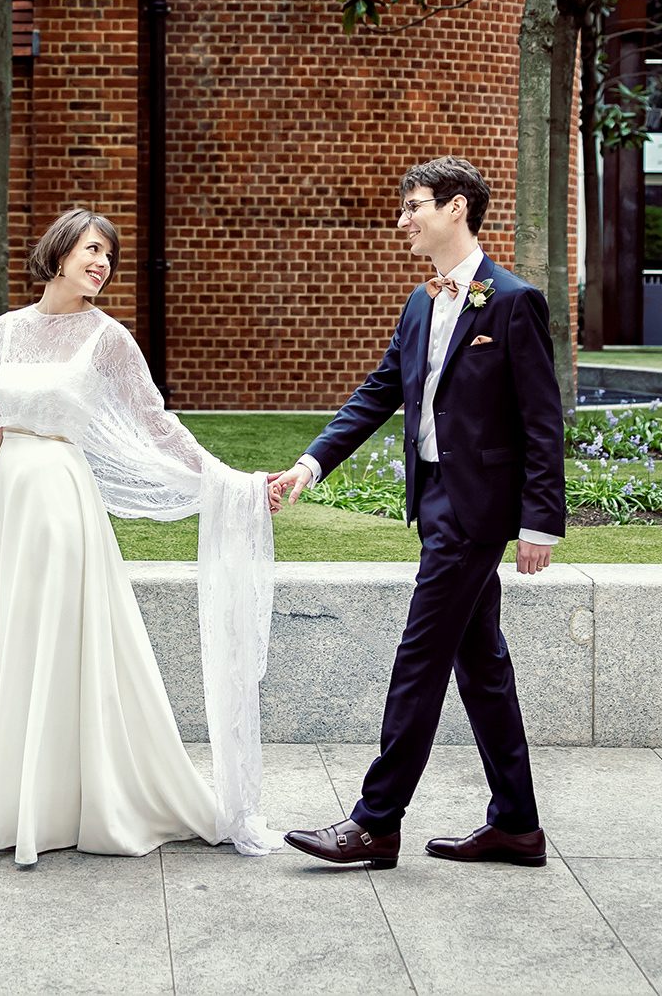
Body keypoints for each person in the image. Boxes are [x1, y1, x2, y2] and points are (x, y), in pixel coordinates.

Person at [0, 208, 278, 865]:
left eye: (109, 256)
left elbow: (157, 426)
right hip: (12, 509)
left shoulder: (108, 339)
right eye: (92, 250)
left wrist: (228, 481)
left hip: (63, 504)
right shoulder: (8, 330)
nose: (101, 263)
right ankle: (27, 807)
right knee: (17, 645)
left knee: (62, 645)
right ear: (60, 250)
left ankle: (85, 804)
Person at [269, 156, 566, 869]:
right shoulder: (419, 301)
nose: (403, 219)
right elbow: (378, 392)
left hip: (476, 511)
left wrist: (539, 521)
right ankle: (517, 824)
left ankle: (376, 821)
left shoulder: (513, 301)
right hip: (432, 498)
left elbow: (543, 419)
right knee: (480, 660)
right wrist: (310, 463)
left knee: (421, 655)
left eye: (414, 205)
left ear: (457, 207)